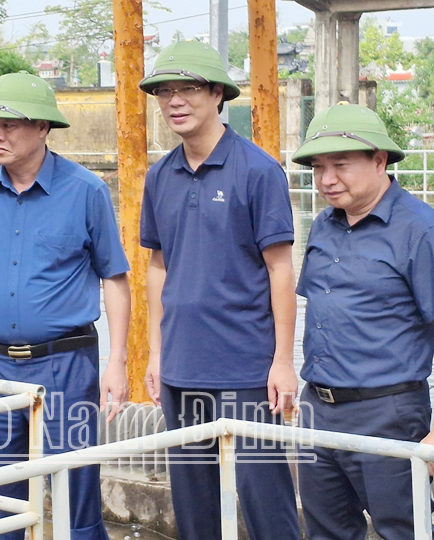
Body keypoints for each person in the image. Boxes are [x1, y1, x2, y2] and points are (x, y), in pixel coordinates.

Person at [0, 72, 131, 540]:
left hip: (66, 367)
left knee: (74, 496)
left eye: (10, 124)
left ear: (43, 128)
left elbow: (115, 279)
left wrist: (117, 361)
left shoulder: (86, 191)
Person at [138, 41, 302, 540]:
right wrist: (155, 354)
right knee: (192, 505)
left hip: (246, 367)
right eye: (165, 92)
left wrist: (282, 361)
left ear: (216, 95)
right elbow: (157, 268)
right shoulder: (159, 175)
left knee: (264, 497)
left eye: (187, 89)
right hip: (181, 368)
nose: (174, 102)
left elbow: (280, 270)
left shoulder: (257, 170)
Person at [290, 103, 434, 540]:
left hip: (387, 410)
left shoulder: (422, 231)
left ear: (380, 161)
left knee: (403, 531)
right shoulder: (323, 225)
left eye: (340, 164)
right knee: (325, 530)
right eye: (318, 167)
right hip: (318, 407)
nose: (327, 179)